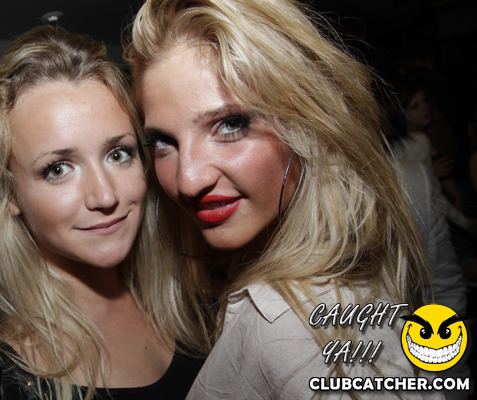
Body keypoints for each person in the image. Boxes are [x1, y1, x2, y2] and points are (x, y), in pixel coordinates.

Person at [126, 0, 444, 398]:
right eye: (163, 141)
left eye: (231, 124)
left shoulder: (300, 325)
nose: (188, 180)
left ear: (307, 125)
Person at [0, 25, 207, 400]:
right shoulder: (0, 383)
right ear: (8, 194)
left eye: (118, 154)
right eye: (58, 169)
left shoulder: (195, 301)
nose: (105, 195)